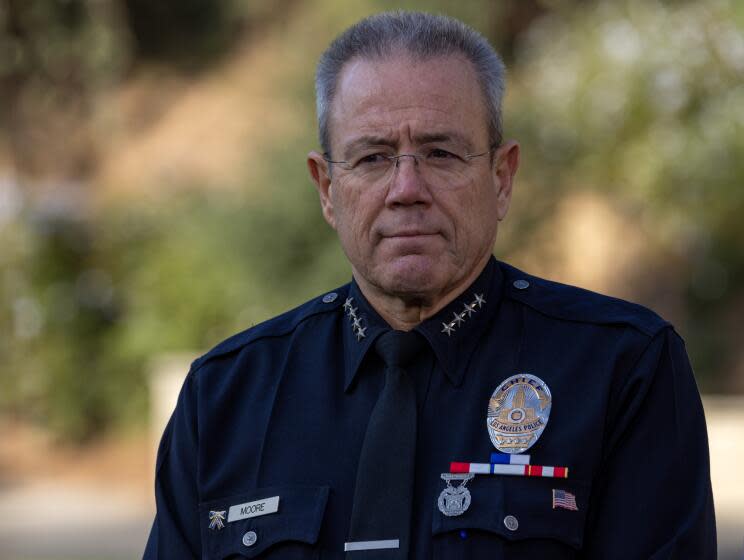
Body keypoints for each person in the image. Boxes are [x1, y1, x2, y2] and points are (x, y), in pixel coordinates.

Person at [143, 11, 716, 559]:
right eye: (372, 157)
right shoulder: (224, 399)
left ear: (501, 178)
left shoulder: (622, 369)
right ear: (326, 188)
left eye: (441, 153)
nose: (407, 188)